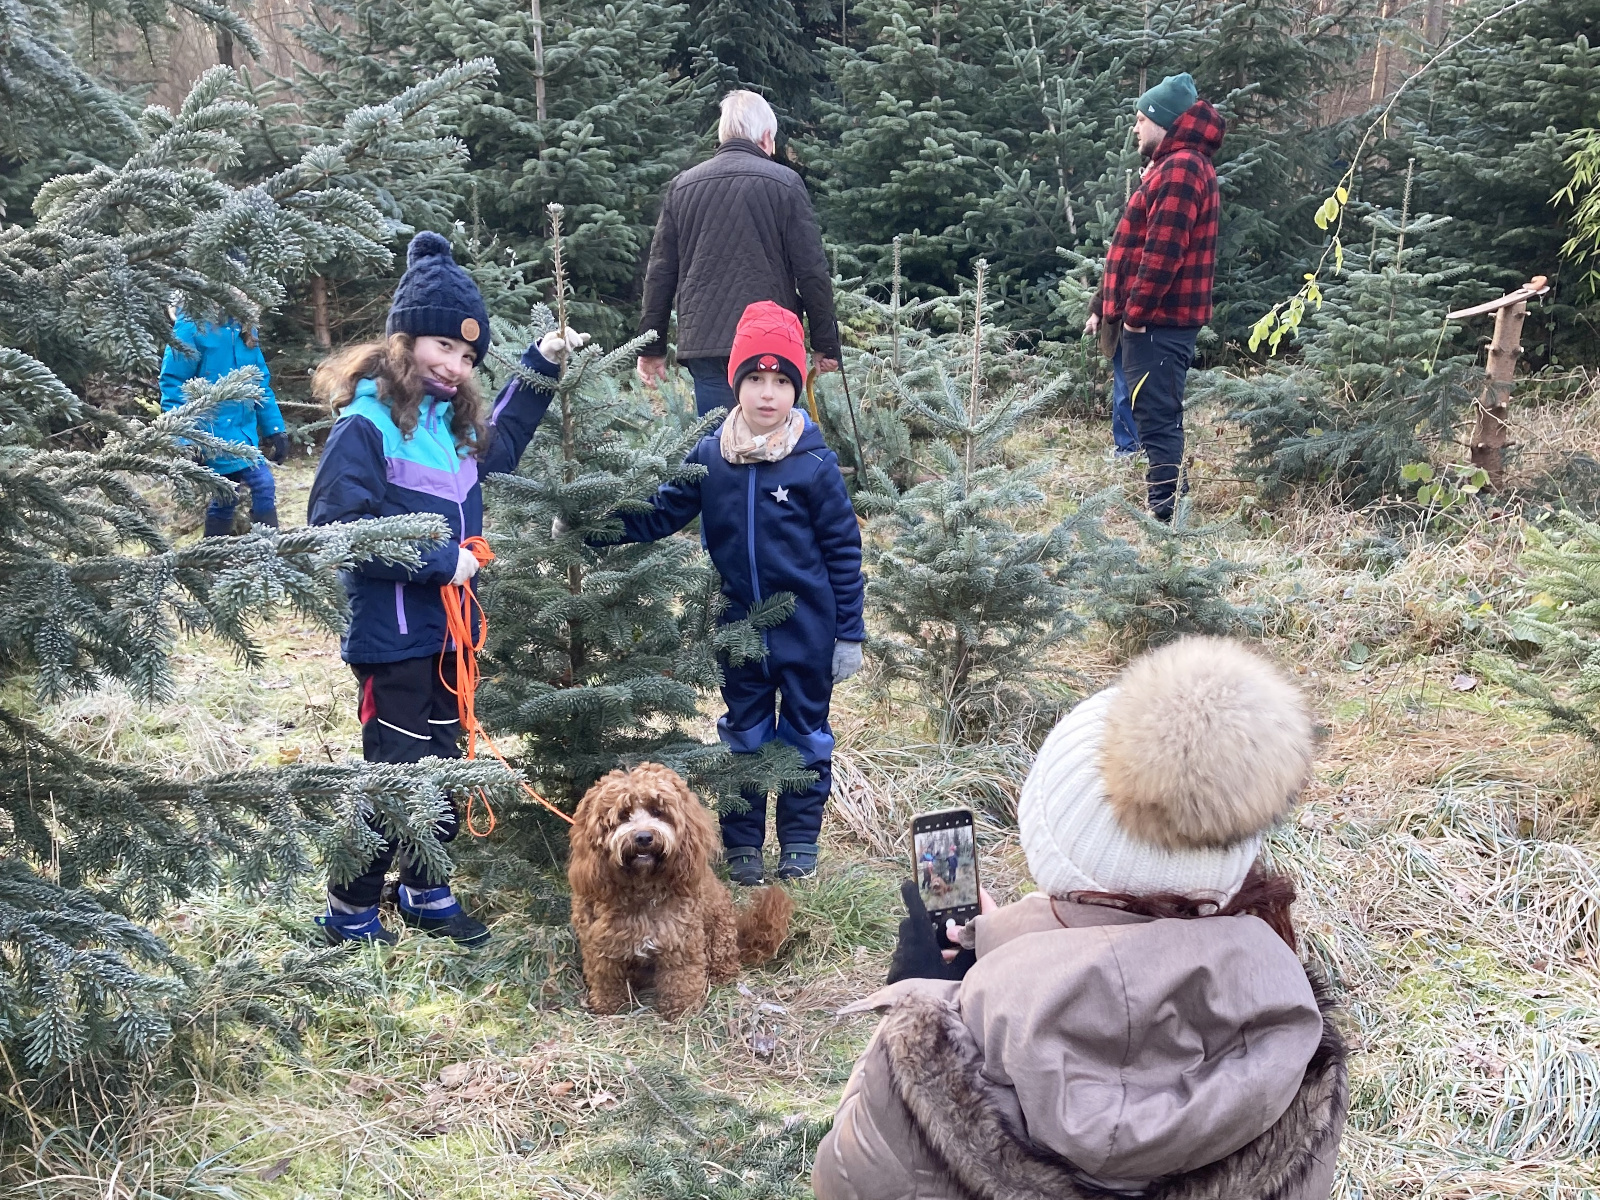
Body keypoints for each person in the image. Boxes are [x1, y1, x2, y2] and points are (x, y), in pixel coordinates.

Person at [814, 636, 1347, 1200]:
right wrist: (1006, 947)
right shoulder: (1293, 1039)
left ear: (1049, 839)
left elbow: (847, 1184)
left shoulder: (927, 1049)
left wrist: (923, 1001)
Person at [306, 230, 587, 947]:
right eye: (443, 348)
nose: (455, 366)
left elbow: (508, 442)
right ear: (406, 339)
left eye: (468, 358)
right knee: (393, 773)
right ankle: (351, 913)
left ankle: (427, 892)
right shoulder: (365, 427)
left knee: (445, 763)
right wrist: (440, 561)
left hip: (451, 639)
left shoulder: (451, 427)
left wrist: (538, 367)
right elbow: (336, 527)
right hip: (393, 636)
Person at [600, 301, 864, 883]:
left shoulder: (813, 465)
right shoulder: (710, 456)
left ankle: (798, 844)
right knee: (743, 734)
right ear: (735, 384)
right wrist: (593, 526)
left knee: (804, 737)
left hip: (807, 633)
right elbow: (662, 511)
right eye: (754, 380)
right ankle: (742, 847)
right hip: (735, 628)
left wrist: (848, 632)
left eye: (780, 381)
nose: (767, 394)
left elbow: (845, 553)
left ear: (796, 389)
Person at [636, 90, 840, 416]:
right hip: (770, 337)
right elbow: (812, 271)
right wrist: (826, 344)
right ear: (766, 137)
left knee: (720, 448)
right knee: (773, 449)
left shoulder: (683, 186)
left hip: (705, 341)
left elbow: (660, 274)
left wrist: (651, 347)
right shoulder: (785, 183)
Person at [1090, 73, 1225, 521]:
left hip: (1159, 323)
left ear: (1161, 121)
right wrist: (1103, 307)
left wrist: (1134, 317)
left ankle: (1166, 520)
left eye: (1140, 119)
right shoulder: (1172, 166)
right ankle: (1171, 510)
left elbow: (1163, 253)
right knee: (1153, 418)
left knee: (1158, 422)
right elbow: (1130, 248)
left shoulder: (1182, 168)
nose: (1135, 129)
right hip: (1153, 319)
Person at [160, 310, 290, 535]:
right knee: (262, 484)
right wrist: (183, 439)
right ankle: (269, 550)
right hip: (209, 432)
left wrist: (275, 428)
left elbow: (259, 383)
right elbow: (174, 385)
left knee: (226, 498)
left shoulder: (244, 326)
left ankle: (213, 557)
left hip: (243, 432)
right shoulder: (191, 327)